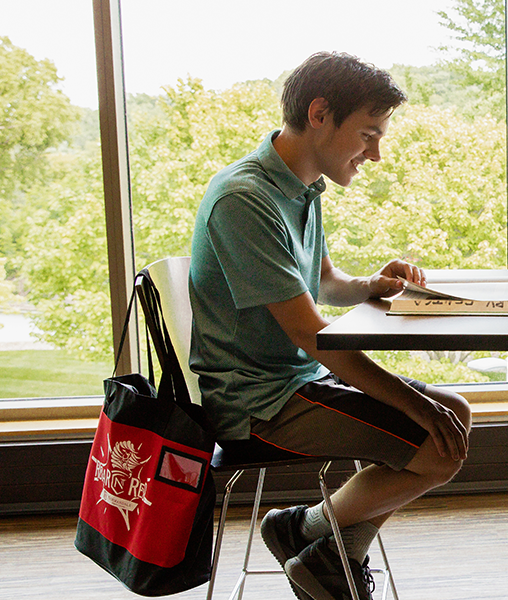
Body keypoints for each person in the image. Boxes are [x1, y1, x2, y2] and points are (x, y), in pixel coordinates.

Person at [189, 51, 471, 600]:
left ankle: (325, 550)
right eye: (369, 134)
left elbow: (319, 280)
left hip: (296, 381)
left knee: (453, 414)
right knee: (440, 441)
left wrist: (369, 284)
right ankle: (307, 534)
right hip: (261, 400)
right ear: (320, 113)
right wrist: (413, 404)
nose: (377, 154)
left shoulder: (299, 187)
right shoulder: (244, 199)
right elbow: (310, 334)